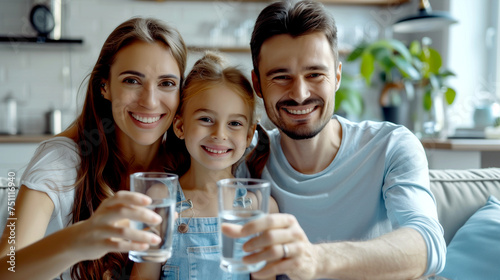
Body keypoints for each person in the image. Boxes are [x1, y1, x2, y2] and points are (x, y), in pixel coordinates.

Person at [224, 1, 447, 279]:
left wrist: (316, 259)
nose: (300, 93)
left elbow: (428, 246)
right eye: (281, 77)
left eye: (315, 74)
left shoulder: (391, 146)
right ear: (258, 85)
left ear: (337, 76)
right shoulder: (243, 159)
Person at [0, 17, 187, 280]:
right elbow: (5, 269)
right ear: (105, 87)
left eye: (167, 83)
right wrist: (79, 240)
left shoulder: (188, 165)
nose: (150, 100)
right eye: (132, 80)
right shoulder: (62, 161)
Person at [132, 51, 279, 280]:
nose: (219, 134)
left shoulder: (260, 206)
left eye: (234, 123)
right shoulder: (161, 198)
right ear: (180, 126)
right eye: (206, 119)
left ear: (250, 133)